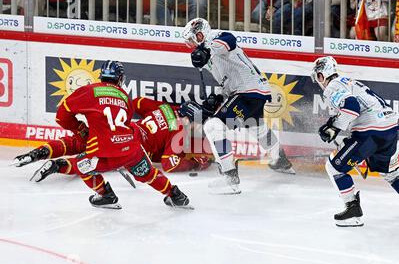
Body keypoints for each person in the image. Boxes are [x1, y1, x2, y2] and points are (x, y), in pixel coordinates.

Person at [20, 61, 190, 210]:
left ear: (101, 76)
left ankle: (106, 195)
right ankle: (176, 195)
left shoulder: (89, 91)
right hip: (132, 147)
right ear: (120, 79)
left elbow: (61, 116)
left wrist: (80, 129)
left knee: (82, 165)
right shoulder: (125, 97)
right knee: (148, 174)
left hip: (105, 148)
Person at [180, 18, 295, 195]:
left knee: (214, 126)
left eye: (191, 40)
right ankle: (281, 161)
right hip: (254, 92)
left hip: (248, 91)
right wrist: (217, 97)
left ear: (200, 34)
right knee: (258, 128)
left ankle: (230, 178)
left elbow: (229, 40)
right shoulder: (209, 58)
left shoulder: (214, 38)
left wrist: (205, 49)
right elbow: (226, 81)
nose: (190, 45)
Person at [311, 56, 399, 227]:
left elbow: (351, 108)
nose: (318, 81)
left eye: (317, 77)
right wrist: (334, 124)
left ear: (321, 75)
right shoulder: (349, 81)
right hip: (389, 128)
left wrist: (333, 128)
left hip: (370, 132)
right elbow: (355, 108)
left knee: (334, 168)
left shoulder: (333, 86)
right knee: (391, 172)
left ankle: (352, 211)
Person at [13, 98, 211, 174]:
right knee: (93, 162)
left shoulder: (165, 108)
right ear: (189, 120)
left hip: (122, 128)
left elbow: (138, 102)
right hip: (130, 147)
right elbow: (170, 164)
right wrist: (195, 163)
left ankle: (40, 152)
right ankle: (60, 166)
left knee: (80, 141)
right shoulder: (179, 129)